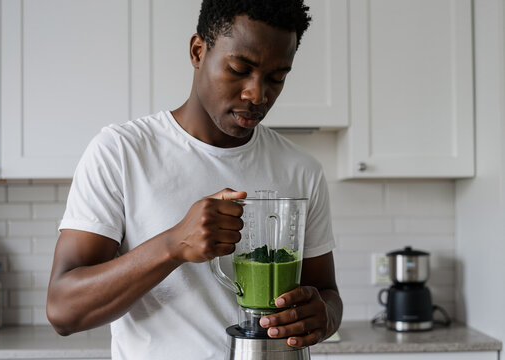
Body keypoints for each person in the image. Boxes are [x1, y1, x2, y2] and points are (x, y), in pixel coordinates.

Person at [46, 0, 343, 359]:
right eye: (239, 69)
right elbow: (64, 311)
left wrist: (323, 316)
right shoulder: (121, 152)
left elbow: (327, 293)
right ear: (198, 51)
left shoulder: (301, 169)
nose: (257, 94)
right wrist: (172, 244)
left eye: (276, 77)